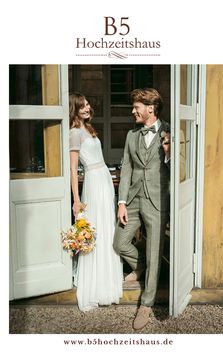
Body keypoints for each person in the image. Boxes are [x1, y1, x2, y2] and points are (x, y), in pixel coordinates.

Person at [113, 88, 170, 330]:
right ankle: (141, 265)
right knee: (120, 242)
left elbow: (184, 166)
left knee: (156, 251)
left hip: (157, 199)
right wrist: (122, 202)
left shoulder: (171, 131)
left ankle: (146, 304)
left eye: (136, 107)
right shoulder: (130, 135)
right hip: (134, 198)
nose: (132, 111)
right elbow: (126, 168)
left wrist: (169, 155)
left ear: (151, 108)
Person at [69, 92, 123, 312]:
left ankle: (108, 278)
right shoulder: (74, 133)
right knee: (96, 227)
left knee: (107, 226)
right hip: (92, 180)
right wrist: (76, 199)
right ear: (74, 109)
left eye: (88, 104)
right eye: (82, 106)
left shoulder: (88, 129)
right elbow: (73, 169)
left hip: (104, 179)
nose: (87, 108)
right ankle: (95, 283)